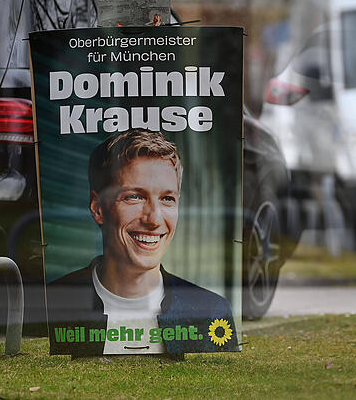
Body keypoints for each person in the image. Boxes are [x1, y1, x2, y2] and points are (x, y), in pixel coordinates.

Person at [48, 130, 237, 355]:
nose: (154, 219)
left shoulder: (212, 311)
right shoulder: (48, 305)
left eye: (168, 199)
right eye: (134, 197)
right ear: (98, 208)